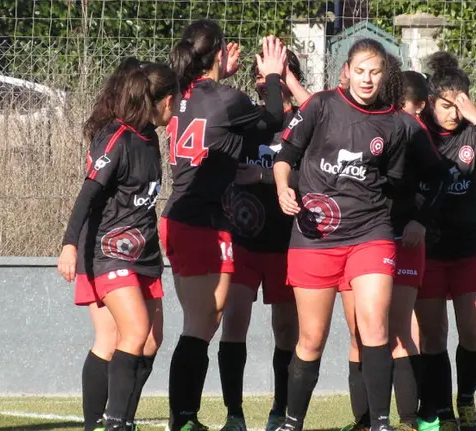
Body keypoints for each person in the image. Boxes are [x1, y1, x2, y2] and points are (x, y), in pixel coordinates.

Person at [272, 38, 409, 431]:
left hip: (370, 233)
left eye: (375, 72)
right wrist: (284, 187)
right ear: (346, 71)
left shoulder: (394, 123)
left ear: (384, 76)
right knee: (311, 338)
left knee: (373, 324)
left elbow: (395, 184)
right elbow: (285, 157)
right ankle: (291, 421)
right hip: (315, 236)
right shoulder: (320, 105)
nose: (367, 79)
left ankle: (380, 423)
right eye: (360, 71)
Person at [162, 19, 287, 431]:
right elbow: (271, 119)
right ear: (218, 54)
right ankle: (183, 417)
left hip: (186, 216)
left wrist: (223, 80)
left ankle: (186, 416)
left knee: (205, 320)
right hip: (200, 219)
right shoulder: (223, 97)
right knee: (200, 325)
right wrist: (271, 76)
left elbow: (232, 129)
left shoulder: (185, 94)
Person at [57, 57, 178, 431]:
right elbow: (88, 193)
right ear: (161, 101)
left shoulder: (150, 140)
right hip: (108, 251)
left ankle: (116, 417)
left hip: (144, 254)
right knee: (133, 332)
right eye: (175, 100)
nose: (177, 108)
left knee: (147, 340)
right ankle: (111, 423)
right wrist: (69, 244)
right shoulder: (117, 137)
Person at [340, 67, 450, 431]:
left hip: (402, 238)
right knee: (359, 333)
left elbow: (438, 178)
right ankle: (365, 420)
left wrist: (419, 219)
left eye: (419, 109)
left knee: (399, 330)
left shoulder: (413, 132)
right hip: (356, 239)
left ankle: (407, 420)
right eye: (410, 107)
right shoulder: (370, 124)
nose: (415, 116)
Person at [411, 52, 476, 431]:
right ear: (431, 102)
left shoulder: (474, 131)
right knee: (433, 335)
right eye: (446, 105)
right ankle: (443, 413)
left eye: (459, 105)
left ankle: (466, 401)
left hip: (469, 246)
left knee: (472, 332)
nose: (453, 112)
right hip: (429, 247)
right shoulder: (416, 131)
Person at [217, 50, 310, 431]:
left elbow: (318, 180)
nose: (262, 79)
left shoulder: (308, 120)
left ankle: (280, 411)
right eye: (258, 73)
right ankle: (233, 414)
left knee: (287, 331)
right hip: (243, 241)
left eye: (271, 73)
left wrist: (265, 178)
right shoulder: (247, 119)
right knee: (234, 320)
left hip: (289, 242)